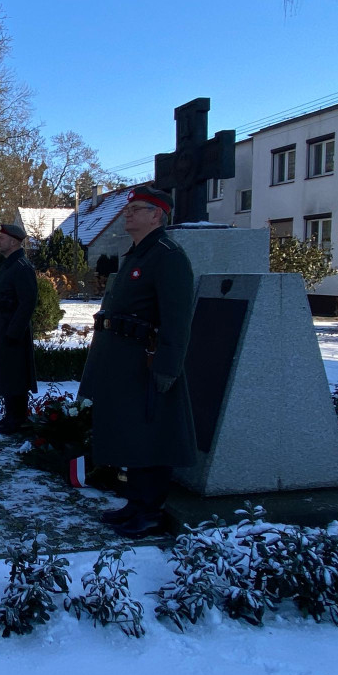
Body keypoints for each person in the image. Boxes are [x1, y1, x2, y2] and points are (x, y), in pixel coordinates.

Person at [78, 186, 196, 539]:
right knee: (133, 432)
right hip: (124, 361)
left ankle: (150, 512)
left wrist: (168, 367)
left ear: (156, 215)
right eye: (128, 209)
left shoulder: (168, 256)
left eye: (136, 209)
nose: (127, 213)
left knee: (151, 434)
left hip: (148, 360)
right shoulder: (138, 254)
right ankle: (135, 504)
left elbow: (177, 320)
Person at [0, 223, 38, 435]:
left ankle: (18, 419)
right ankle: (10, 416)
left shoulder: (22, 267)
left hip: (13, 330)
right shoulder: (9, 265)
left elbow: (28, 302)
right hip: (3, 327)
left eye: (2, 238)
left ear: (14, 242)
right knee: (6, 372)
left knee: (16, 374)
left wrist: (14, 332)